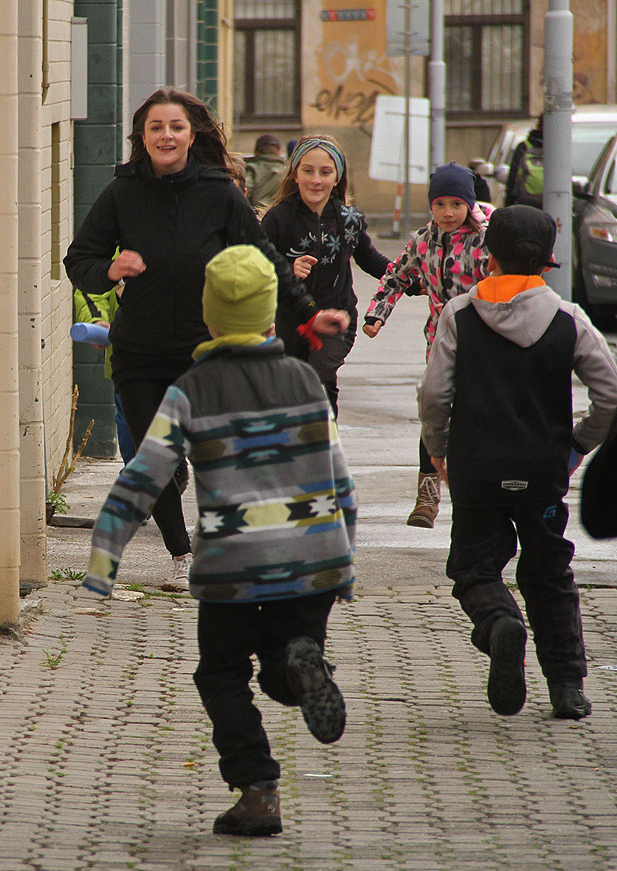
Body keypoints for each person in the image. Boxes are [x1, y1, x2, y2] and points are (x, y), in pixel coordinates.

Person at [83, 245, 355, 836]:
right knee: (288, 654)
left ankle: (257, 789)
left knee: (221, 675)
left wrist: (104, 560)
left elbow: (143, 477)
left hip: (233, 563)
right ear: (268, 318)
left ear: (208, 319)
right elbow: (337, 477)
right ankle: (296, 663)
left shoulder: (190, 390)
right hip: (311, 558)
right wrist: (345, 560)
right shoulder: (306, 381)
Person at [64, 86, 349, 592]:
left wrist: (307, 316)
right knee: (152, 457)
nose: (167, 135)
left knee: (207, 450)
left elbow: (264, 257)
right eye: (156, 127)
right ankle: (181, 554)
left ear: (191, 134)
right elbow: (78, 261)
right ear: (142, 136)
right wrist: (109, 269)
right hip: (139, 350)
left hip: (206, 350)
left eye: (175, 127)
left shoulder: (219, 193)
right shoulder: (121, 192)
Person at [417, 205, 617, 720]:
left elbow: (435, 394)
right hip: (543, 468)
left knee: (474, 566)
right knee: (550, 573)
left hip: (476, 467)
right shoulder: (569, 320)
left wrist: (438, 449)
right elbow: (611, 393)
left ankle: (500, 620)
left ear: (488, 256)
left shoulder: (459, 314)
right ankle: (567, 686)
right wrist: (579, 442)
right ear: (549, 261)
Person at [362, 162, 493, 528]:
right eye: (439, 205)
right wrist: (376, 315)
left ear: (469, 204)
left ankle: (482, 493)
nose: (448, 213)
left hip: (486, 340)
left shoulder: (488, 239)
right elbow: (396, 277)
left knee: (480, 414)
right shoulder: (423, 240)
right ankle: (427, 494)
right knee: (434, 410)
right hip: (440, 339)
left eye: (456, 204)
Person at [260, 135, 391, 415]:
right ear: (295, 174)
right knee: (291, 391)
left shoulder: (349, 220)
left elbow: (372, 260)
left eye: (325, 172)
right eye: (307, 171)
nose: (315, 180)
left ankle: (325, 442)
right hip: (290, 322)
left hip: (336, 320)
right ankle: (295, 449)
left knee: (319, 379)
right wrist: (286, 267)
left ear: (337, 177)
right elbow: (257, 267)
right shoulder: (278, 219)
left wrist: (412, 279)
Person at [73, 282, 136, 462]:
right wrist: (96, 320)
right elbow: (91, 287)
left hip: (180, 351)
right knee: (130, 417)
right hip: (129, 354)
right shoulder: (115, 254)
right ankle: (136, 477)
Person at [504, 116, 544, 208]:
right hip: (556, 204)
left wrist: (508, 207)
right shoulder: (560, 149)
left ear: (537, 126)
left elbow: (512, 180)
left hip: (525, 204)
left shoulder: (524, 147)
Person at [245, 134, 285, 208]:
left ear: (256, 152)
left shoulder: (251, 169)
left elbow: (246, 190)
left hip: (256, 214)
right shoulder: (287, 171)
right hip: (281, 214)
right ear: (279, 152)